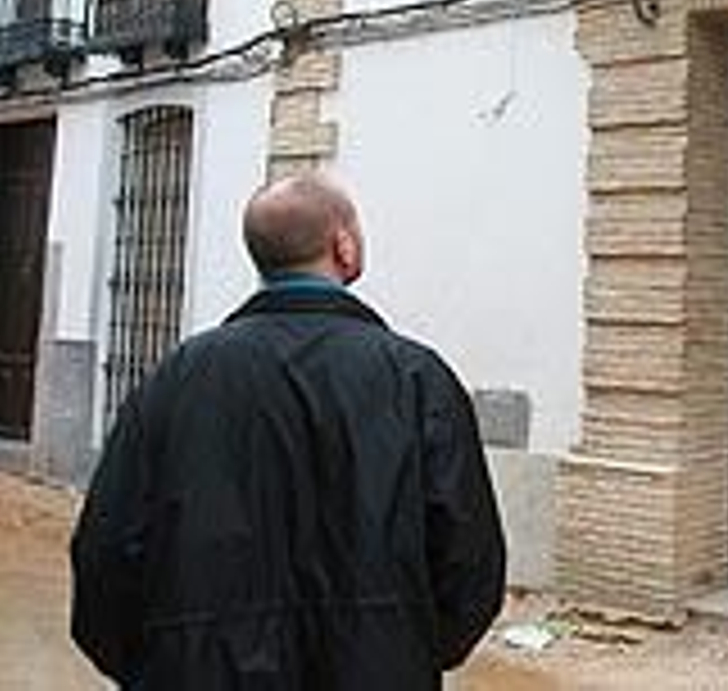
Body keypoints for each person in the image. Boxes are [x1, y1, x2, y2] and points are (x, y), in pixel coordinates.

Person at [70, 172, 506, 689]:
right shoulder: (417, 379)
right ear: (343, 246)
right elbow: (469, 558)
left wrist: (157, 661)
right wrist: (407, 647)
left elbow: (104, 552)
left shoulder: (178, 378)